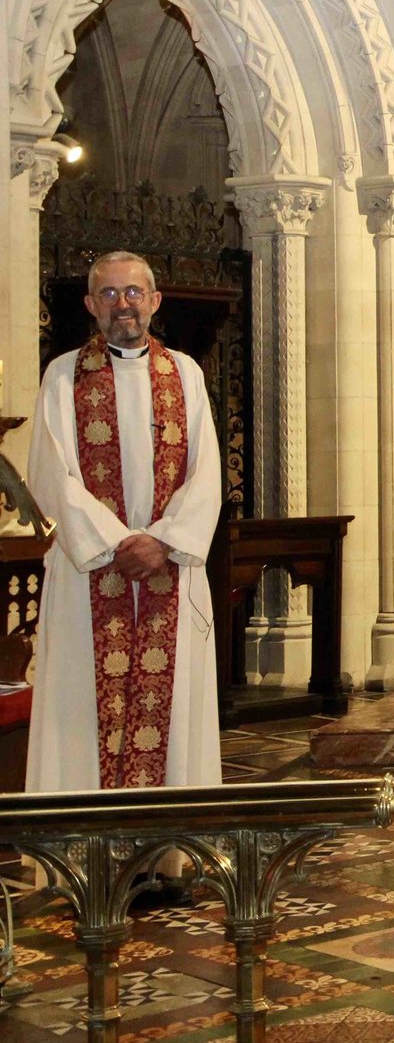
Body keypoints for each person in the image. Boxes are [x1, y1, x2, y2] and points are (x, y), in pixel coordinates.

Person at [26, 253, 223, 802]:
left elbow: (207, 470)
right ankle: (88, 853)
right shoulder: (64, 375)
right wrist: (116, 543)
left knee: (173, 709)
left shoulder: (184, 373)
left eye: (133, 292)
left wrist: (163, 541)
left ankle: (167, 856)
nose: (122, 305)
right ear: (90, 306)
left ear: (154, 301)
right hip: (90, 573)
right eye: (108, 294)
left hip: (169, 567)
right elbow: (51, 472)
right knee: (83, 711)